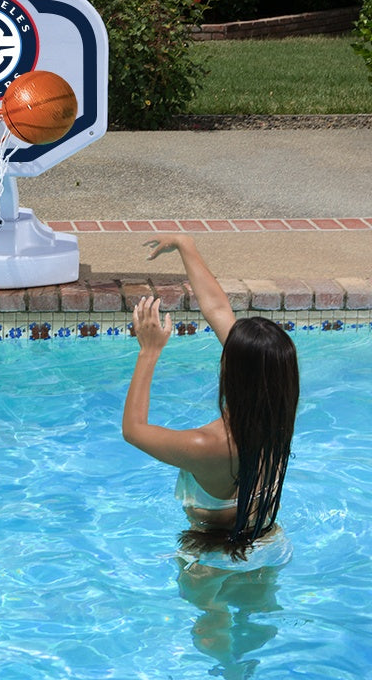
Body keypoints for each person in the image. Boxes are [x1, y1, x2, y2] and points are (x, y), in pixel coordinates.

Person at [122, 234, 299, 570]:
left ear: (233, 372)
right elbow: (218, 309)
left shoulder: (208, 444)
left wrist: (149, 351)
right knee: (260, 620)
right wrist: (184, 245)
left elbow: (133, 431)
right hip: (266, 540)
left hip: (208, 557)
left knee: (211, 620)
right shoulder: (279, 407)